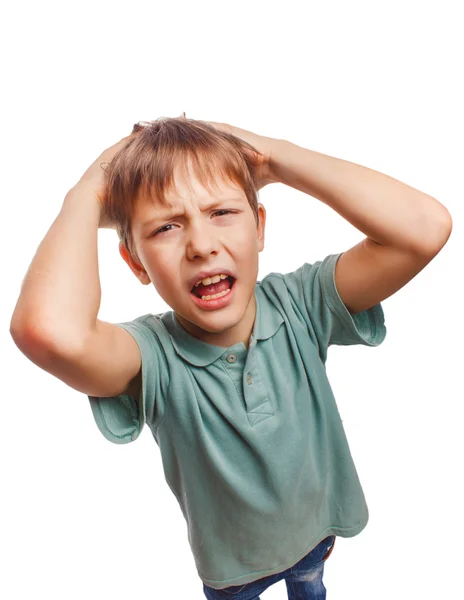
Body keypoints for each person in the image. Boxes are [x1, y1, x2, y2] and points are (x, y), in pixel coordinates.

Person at [9, 116, 452, 599]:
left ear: (259, 226)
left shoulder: (300, 305)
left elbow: (424, 229)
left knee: (310, 585)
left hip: (316, 534)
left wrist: (274, 156)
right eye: (166, 227)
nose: (201, 245)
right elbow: (49, 331)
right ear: (135, 262)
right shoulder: (151, 357)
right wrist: (85, 195)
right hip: (233, 572)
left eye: (221, 212)